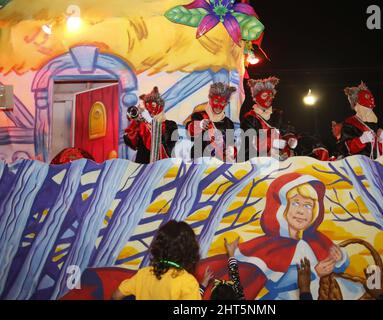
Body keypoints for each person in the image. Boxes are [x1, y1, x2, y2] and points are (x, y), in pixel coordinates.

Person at [195, 173, 367, 300]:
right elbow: (272, 282)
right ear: (280, 207)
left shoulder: (315, 239)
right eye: (296, 203)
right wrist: (314, 272)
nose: (301, 211)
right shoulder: (271, 245)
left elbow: (337, 267)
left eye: (308, 205)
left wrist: (340, 259)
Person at [112, 220, 201, 300]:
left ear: (158, 247)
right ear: (190, 250)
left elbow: (116, 295)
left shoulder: (143, 274)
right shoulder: (188, 282)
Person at [240, 77, 296, 161]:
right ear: (255, 98)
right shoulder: (250, 118)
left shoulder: (278, 114)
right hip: (259, 161)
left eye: (270, 95)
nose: (269, 98)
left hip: (282, 158)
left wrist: (290, 140)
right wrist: (269, 150)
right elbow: (249, 144)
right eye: (264, 95)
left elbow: (286, 131)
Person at [123, 87, 178, 164]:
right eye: (147, 105)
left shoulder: (171, 125)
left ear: (160, 106)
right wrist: (136, 122)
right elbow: (131, 142)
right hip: (142, 166)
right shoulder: (142, 125)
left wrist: (150, 121)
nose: (150, 109)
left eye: (153, 105)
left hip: (161, 166)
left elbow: (166, 143)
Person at [184, 82, 237, 162]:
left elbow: (230, 144)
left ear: (226, 104)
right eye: (216, 101)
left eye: (222, 103)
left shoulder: (228, 123)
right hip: (199, 162)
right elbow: (190, 133)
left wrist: (232, 151)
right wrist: (199, 125)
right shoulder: (199, 116)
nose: (219, 106)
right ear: (210, 99)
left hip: (219, 163)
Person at [340, 82, 383, 159]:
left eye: (370, 108)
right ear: (356, 105)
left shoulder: (375, 123)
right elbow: (346, 149)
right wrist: (361, 140)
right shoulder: (350, 123)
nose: (369, 111)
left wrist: (381, 140)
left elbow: (381, 152)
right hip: (359, 166)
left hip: (375, 165)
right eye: (365, 108)